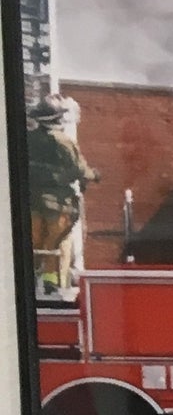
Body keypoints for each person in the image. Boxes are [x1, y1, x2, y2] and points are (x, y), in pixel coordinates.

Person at [25, 95, 97, 296]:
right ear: (57, 118)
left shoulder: (27, 139)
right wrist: (94, 175)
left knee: (34, 243)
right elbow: (80, 170)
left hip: (31, 203)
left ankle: (30, 279)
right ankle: (53, 283)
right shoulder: (63, 141)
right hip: (59, 206)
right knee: (58, 243)